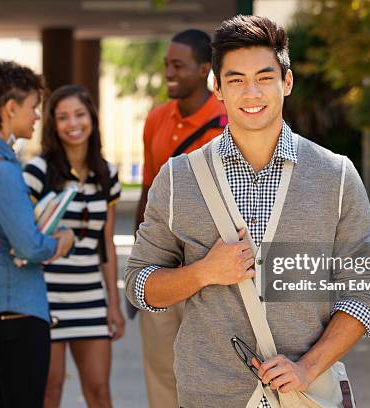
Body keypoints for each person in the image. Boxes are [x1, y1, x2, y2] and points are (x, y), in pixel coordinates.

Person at [125, 15, 370, 407]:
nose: (251, 93)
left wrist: (308, 367)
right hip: (210, 395)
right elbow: (138, 285)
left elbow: (366, 290)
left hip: (306, 394)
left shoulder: (336, 176)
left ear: (287, 82)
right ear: (218, 89)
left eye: (264, 78)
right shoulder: (179, 179)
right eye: (235, 80)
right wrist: (203, 273)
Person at [0, 60, 75, 407]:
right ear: (10, 108)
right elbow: (28, 246)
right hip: (16, 311)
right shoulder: (2, 170)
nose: (38, 117)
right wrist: (62, 241)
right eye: (33, 108)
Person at [132, 28, 227, 408]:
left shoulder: (227, 122)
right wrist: (139, 262)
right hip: (162, 268)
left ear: (205, 68)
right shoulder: (156, 120)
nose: (169, 72)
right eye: (166, 65)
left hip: (210, 269)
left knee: (211, 373)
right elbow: (146, 192)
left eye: (178, 65)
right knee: (160, 370)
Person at [23, 84, 125, 408]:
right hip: (46, 296)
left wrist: (113, 304)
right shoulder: (38, 171)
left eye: (79, 114)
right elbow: (23, 235)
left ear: (92, 118)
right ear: (53, 124)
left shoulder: (107, 174)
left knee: (99, 391)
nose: (73, 123)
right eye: (63, 117)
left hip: (90, 296)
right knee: (49, 392)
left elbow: (105, 244)